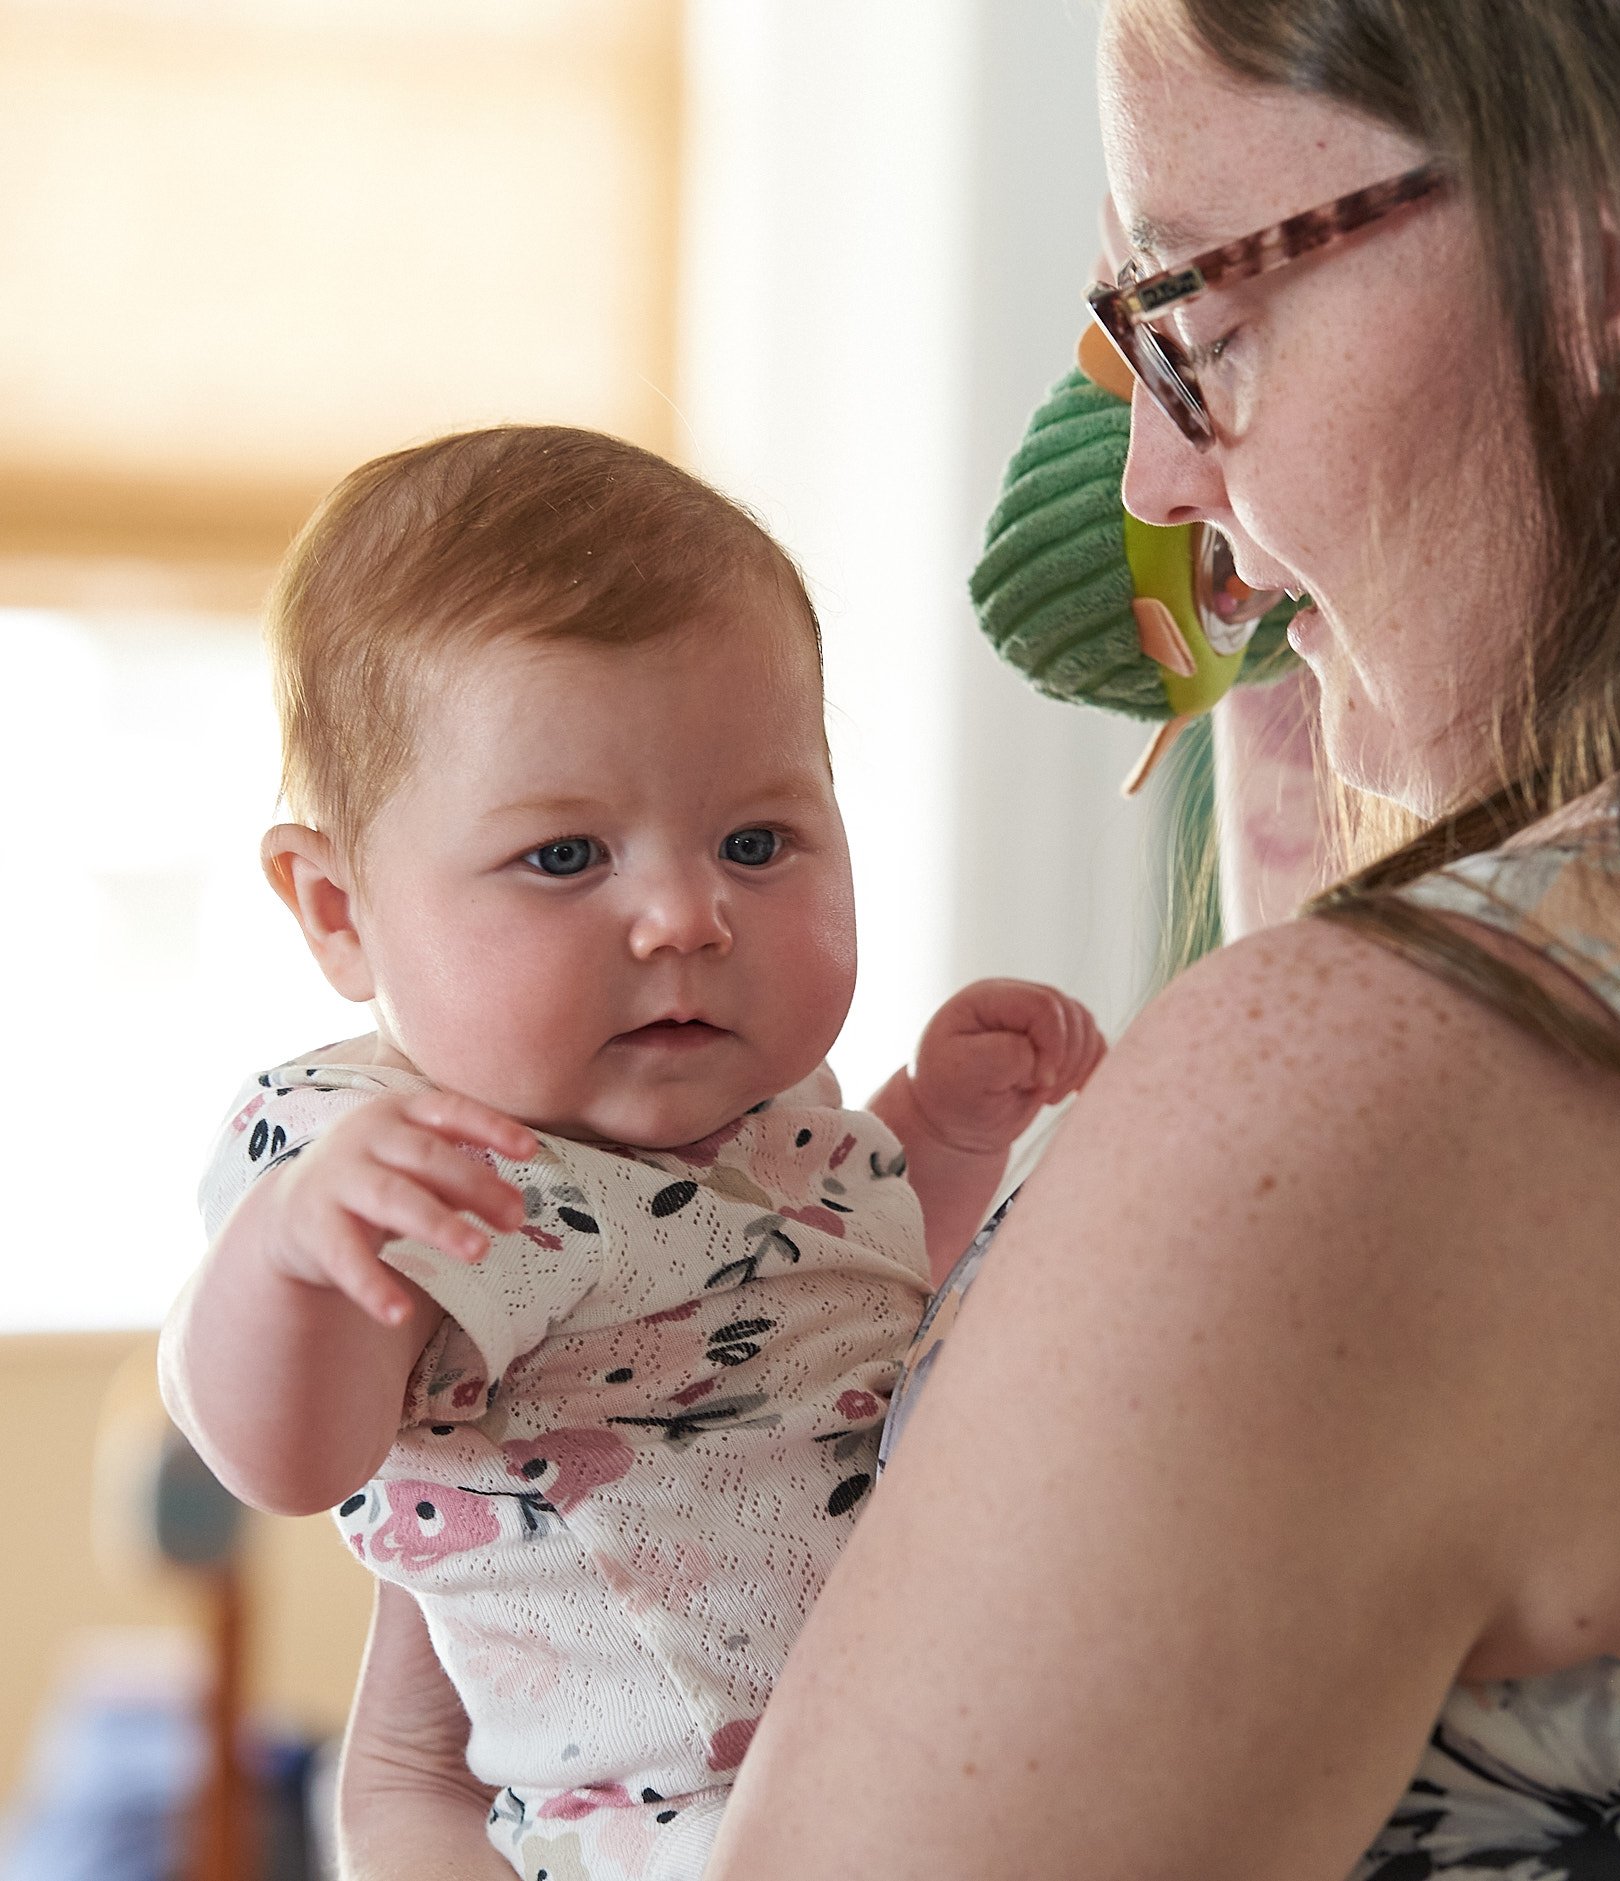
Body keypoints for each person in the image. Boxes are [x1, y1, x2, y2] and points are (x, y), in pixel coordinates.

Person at [334, 0, 1620, 1874]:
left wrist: (402, 1806)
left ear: (1594, 246)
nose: (1156, 484)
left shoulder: (1377, 1088)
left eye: (1195, 324)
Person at [156, 425, 1105, 1881]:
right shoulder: (392, 1155)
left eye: (755, 841)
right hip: (686, 1819)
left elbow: (858, 1279)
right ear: (339, 909)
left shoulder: (775, 1105)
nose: (685, 916)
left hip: (962, 1717)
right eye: (564, 858)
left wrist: (944, 1125)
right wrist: (288, 1256)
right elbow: (293, 1454)